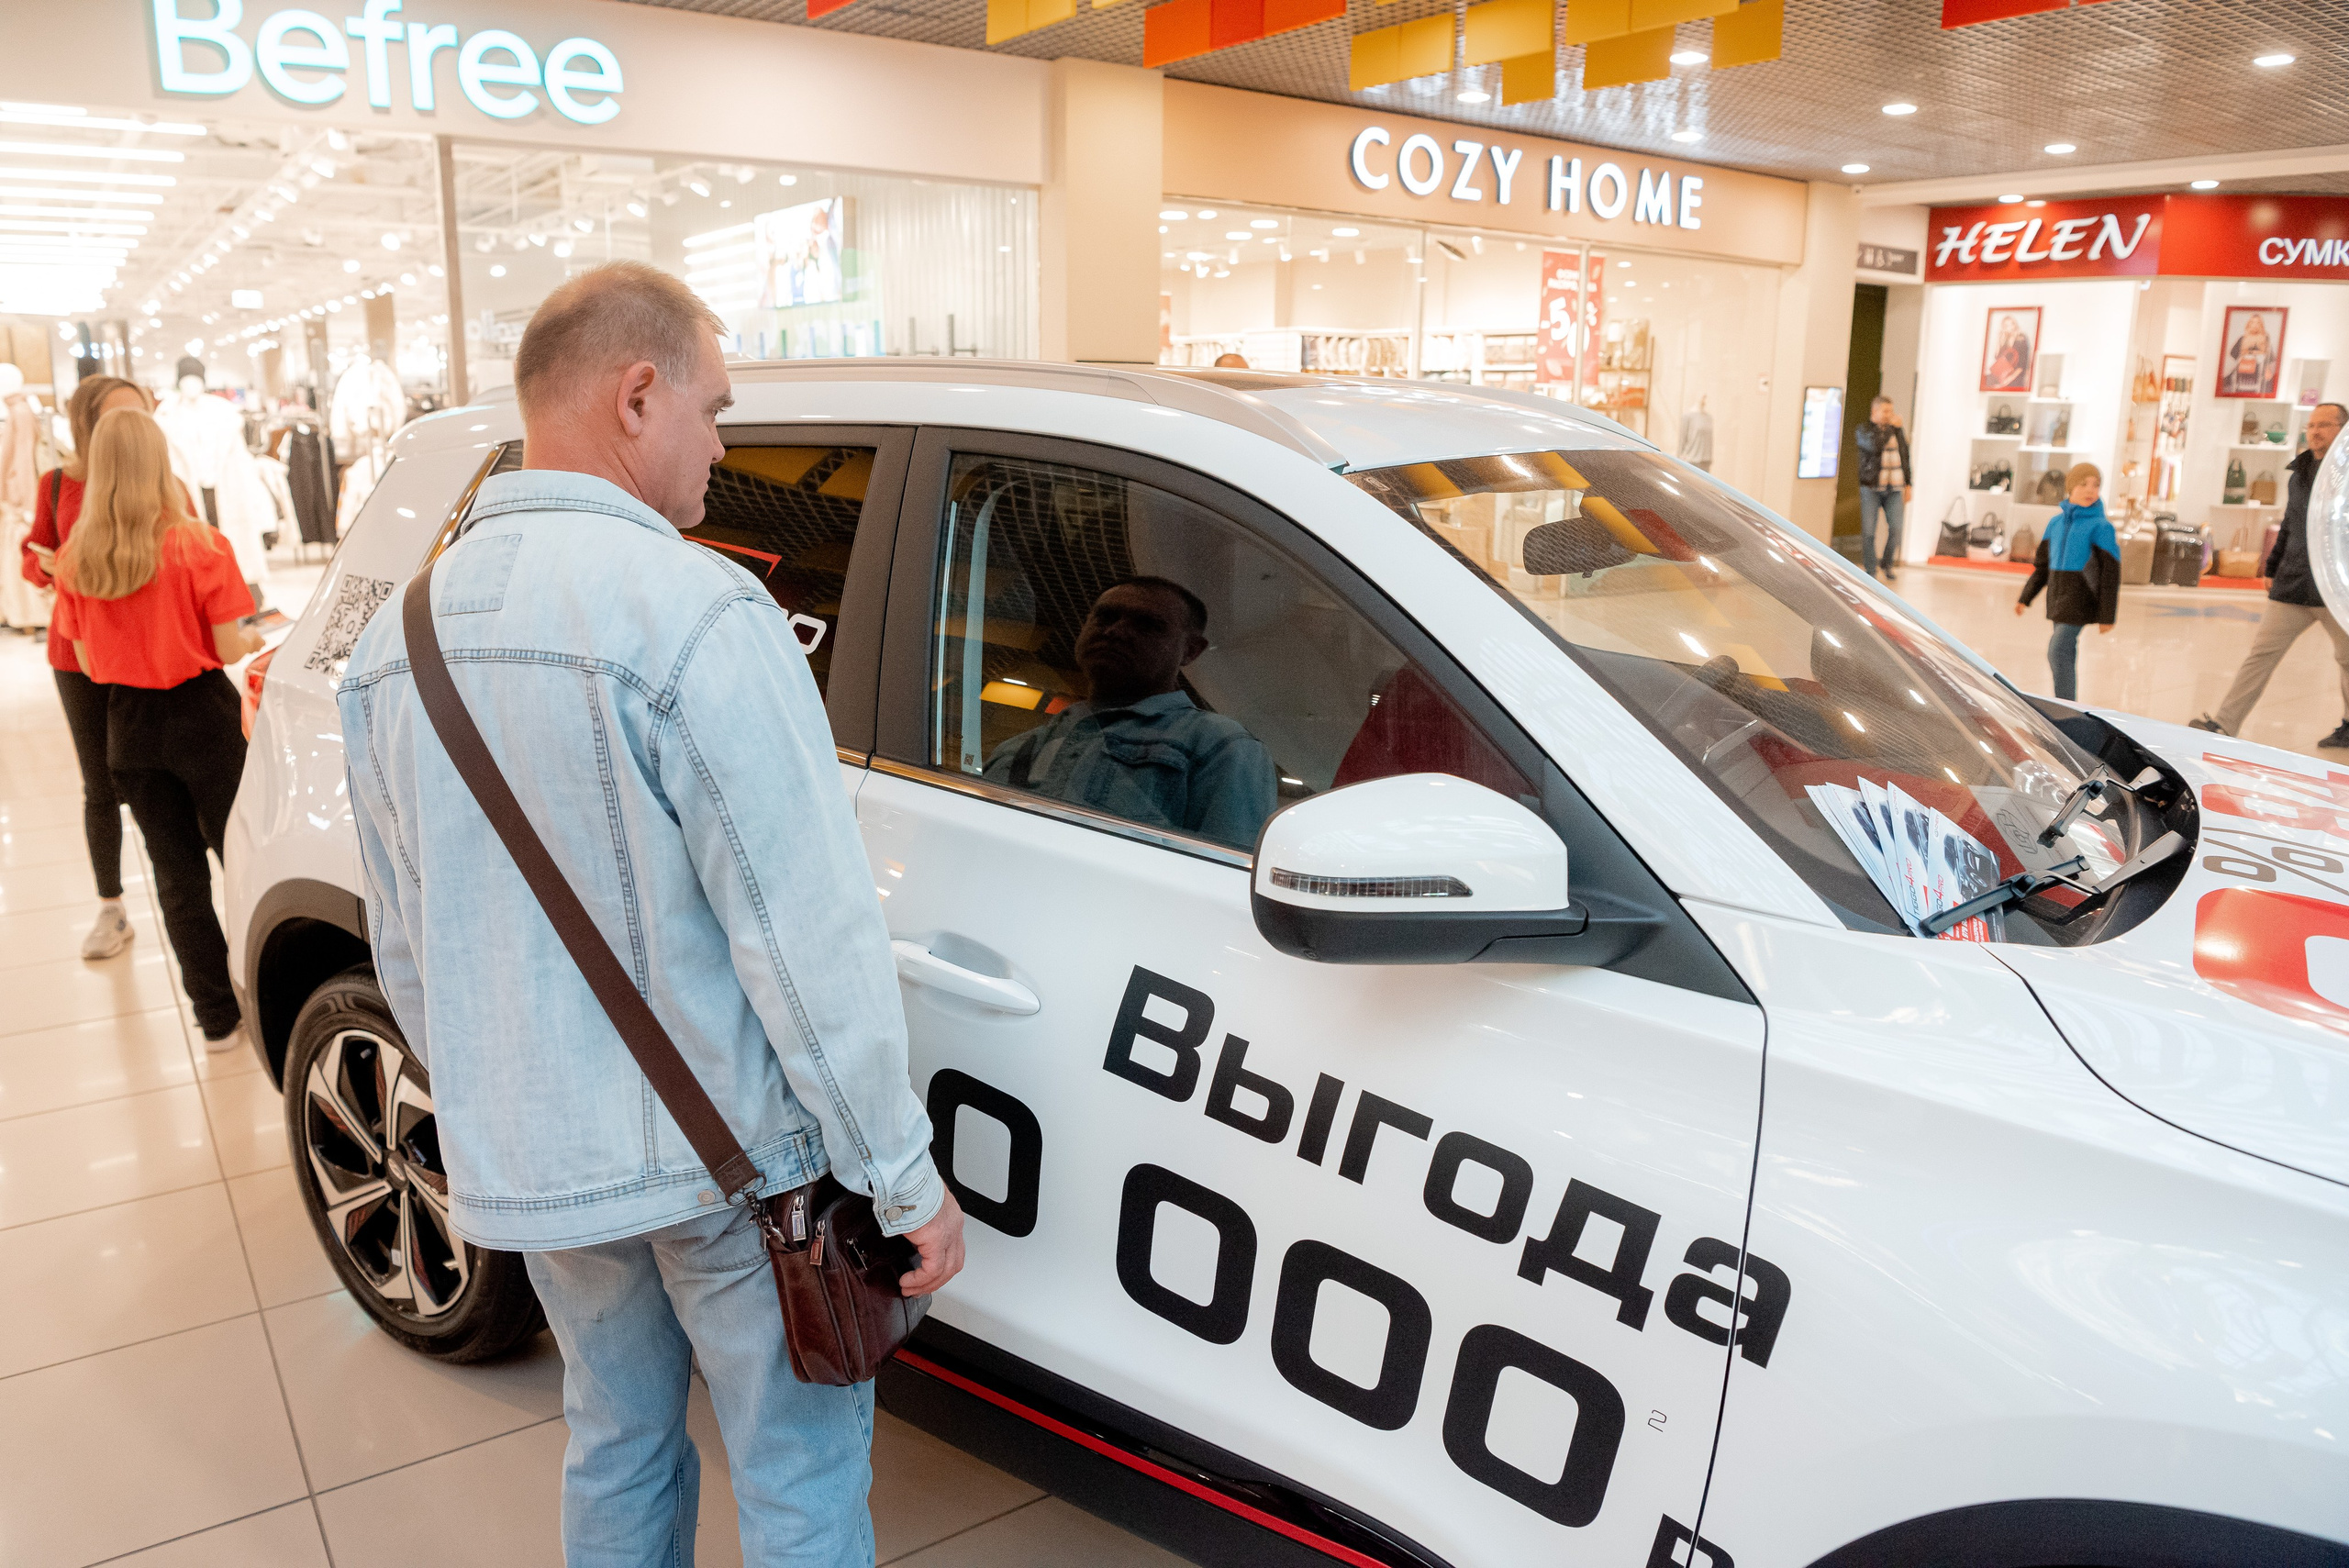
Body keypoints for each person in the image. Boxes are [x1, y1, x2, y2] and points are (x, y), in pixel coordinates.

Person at [337, 261, 963, 1565]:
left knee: (615, 1440)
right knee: (793, 1472)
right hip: (728, 1164)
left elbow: (406, 944)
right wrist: (903, 1177)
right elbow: (804, 942)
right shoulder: (697, 611)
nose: (721, 446)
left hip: (540, 1168)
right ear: (637, 394)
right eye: (713, 409)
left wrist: (502, 1110)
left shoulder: (399, 638)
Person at [50, 408, 262, 1049]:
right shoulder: (200, 546)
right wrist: (253, 632)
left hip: (130, 725)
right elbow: (228, 647)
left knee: (176, 877)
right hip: (202, 714)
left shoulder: (77, 559)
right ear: (159, 463)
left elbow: (86, 662)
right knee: (244, 858)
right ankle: (266, 991)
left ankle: (215, 1016)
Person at [20, 374, 161, 960]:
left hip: (145, 651)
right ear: (86, 424)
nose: (130, 429)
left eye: (140, 414)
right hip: (77, 653)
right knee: (99, 784)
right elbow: (33, 559)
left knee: (157, 778)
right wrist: (58, 569)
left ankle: (186, 896)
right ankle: (111, 905)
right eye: (114, 417)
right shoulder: (58, 485)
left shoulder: (159, 479)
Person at [985, 576, 1278, 851]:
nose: (1115, 631)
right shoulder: (1019, 747)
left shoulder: (1221, 746)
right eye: (1105, 617)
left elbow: (1224, 876)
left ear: (1190, 651)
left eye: (1148, 625)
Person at [2192, 402, 2349, 745]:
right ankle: (2224, 724)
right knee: (2260, 656)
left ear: (2344, 431)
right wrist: (2273, 565)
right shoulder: (2300, 475)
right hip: (2293, 584)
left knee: (2348, 660)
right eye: (2311, 425)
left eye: (2325, 425)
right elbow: (2291, 525)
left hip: (2337, 591)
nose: (2315, 431)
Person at [2014, 462, 2119, 703]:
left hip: (2083, 599)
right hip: (2058, 599)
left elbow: (2111, 575)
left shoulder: (2101, 527)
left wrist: (2107, 615)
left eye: (2096, 485)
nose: (2090, 490)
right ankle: (2067, 703)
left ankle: (2065, 705)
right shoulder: (2055, 524)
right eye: (2084, 484)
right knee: (2065, 654)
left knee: (2058, 650)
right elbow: (2042, 568)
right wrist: (2025, 597)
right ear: (2071, 487)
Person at [1853, 395, 1911, 581]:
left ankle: (1887, 563)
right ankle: (1871, 570)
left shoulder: (1896, 431)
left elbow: (1905, 456)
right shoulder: (1864, 431)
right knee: (1869, 532)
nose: (1889, 415)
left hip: (1894, 488)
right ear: (1874, 412)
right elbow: (1874, 446)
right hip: (1871, 488)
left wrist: (1909, 483)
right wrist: (1893, 428)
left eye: (1891, 411)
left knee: (1896, 528)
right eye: (1885, 411)